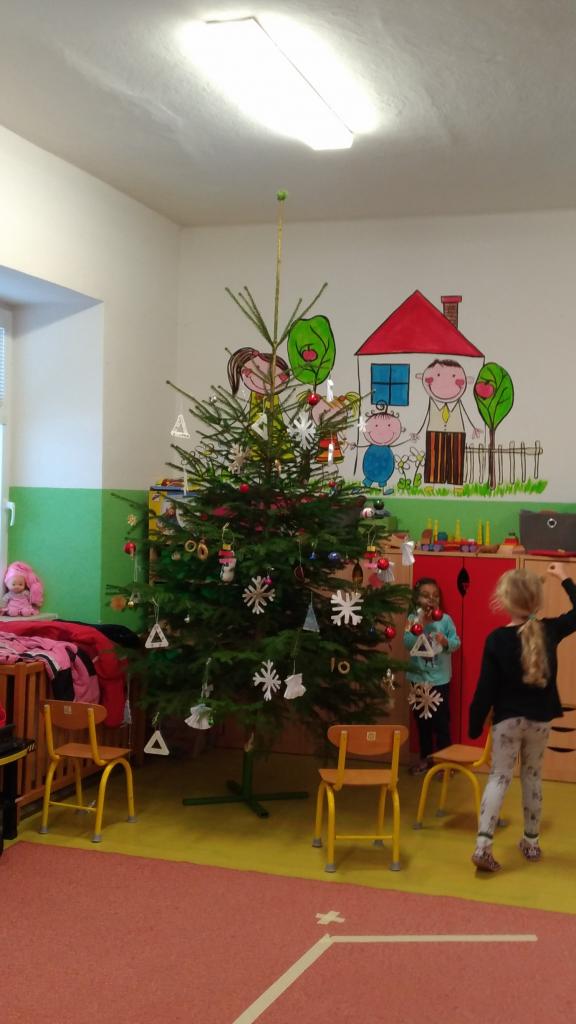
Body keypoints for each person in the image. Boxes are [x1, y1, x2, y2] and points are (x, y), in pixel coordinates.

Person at [468, 563, 576, 873]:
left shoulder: (496, 639)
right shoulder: (549, 630)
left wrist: (475, 725)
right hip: (540, 722)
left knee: (499, 778)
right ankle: (531, 843)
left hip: (507, 722)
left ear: (504, 600)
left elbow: (485, 689)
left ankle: (483, 846)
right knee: (532, 777)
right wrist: (565, 578)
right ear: (537, 600)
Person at [404, 577, 461, 773]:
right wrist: (420, 624)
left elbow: (456, 643)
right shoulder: (413, 619)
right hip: (418, 681)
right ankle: (425, 759)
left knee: (441, 724)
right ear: (417, 599)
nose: (431, 599)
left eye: (435, 596)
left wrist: (445, 642)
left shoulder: (445, 620)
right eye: (426, 595)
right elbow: (407, 643)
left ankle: (445, 763)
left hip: (439, 681)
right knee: (422, 724)